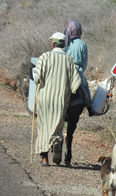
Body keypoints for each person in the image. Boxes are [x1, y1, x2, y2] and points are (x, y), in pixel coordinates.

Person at [33, 32, 81, 166]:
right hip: (61, 100)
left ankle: (44, 159)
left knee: (43, 127)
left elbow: (37, 78)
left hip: (44, 98)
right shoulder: (69, 59)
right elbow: (75, 83)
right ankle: (56, 142)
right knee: (58, 125)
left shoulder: (45, 56)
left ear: (53, 44)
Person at [64, 20, 94, 116]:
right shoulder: (82, 44)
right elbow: (84, 64)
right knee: (85, 86)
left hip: (62, 70)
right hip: (76, 71)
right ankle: (90, 108)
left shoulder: (64, 41)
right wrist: (81, 71)